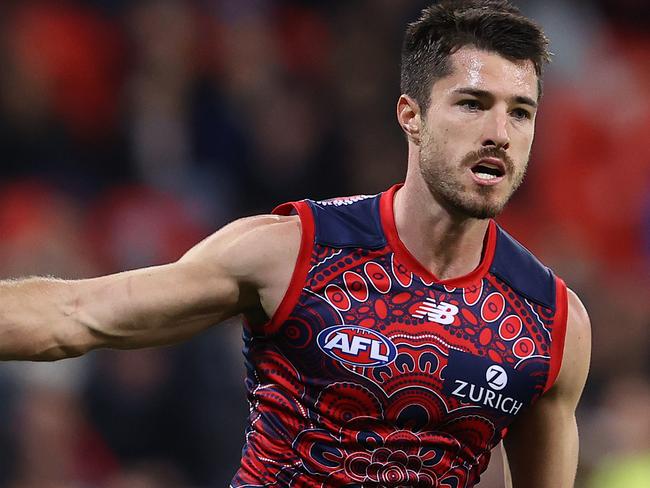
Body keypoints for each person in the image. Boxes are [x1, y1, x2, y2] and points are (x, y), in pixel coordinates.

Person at [0, 1, 591, 487]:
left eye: (521, 113)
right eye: (472, 103)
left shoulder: (550, 321)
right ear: (411, 115)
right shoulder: (294, 252)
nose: (499, 134)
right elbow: (75, 317)